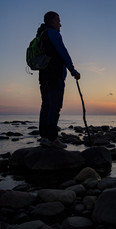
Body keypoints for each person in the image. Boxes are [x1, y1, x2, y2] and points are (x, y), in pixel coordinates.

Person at [36, 11, 81, 149]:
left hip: (43, 76)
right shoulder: (53, 34)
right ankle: (52, 138)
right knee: (54, 106)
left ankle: (44, 137)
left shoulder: (41, 35)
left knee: (46, 105)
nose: (60, 24)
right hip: (55, 75)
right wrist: (73, 70)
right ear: (52, 21)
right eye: (58, 20)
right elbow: (63, 53)